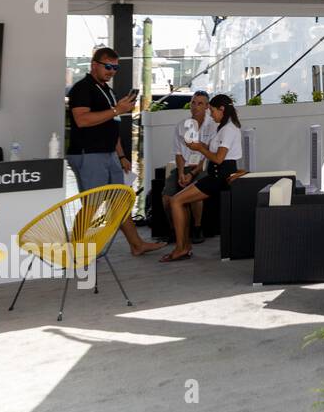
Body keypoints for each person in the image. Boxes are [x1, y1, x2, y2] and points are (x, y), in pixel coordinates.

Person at [66, 47, 165, 256]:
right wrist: (116, 110)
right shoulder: (82, 88)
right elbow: (81, 120)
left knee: (119, 202)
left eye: (115, 68)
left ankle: (136, 244)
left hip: (109, 154)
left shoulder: (107, 91)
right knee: (92, 205)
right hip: (89, 153)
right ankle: (77, 251)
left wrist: (121, 155)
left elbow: (112, 125)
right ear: (94, 65)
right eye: (108, 66)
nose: (112, 71)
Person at [163, 94, 242, 262]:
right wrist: (197, 146)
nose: (211, 114)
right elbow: (214, 150)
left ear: (221, 110)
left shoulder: (228, 129)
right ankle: (183, 245)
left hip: (218, 177)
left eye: (212, 111)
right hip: (215, 174)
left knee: (176, 201)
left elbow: (218, 158)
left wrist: (199, 147)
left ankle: (181, 247)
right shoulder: (223, 127)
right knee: (177, 200)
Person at [161, 90, 215, 243]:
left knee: (196, 192)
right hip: (184, 167)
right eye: (193, 102)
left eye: (200, 103)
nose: (195, 106)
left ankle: (197, 229)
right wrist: (180, 173)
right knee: (166, 197)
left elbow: (207, 155)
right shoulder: (181, 126)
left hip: (202, 168)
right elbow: (178, 153)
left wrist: (192, 174)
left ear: (207, 106)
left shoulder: (212, 126)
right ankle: (174, 230)